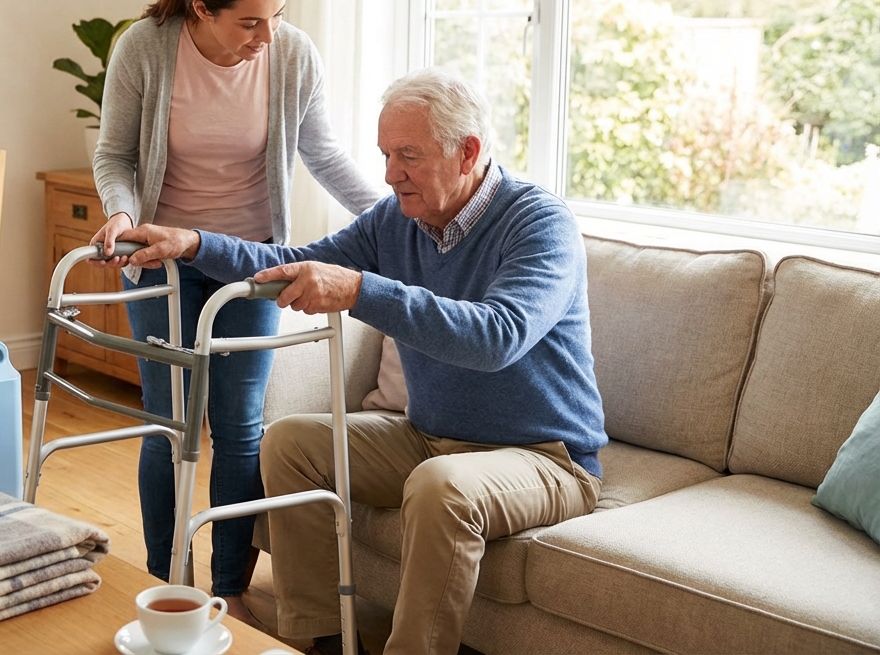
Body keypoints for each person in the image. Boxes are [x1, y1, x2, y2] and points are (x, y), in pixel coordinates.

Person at [113, 68, 607, 655]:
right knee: (289, 443)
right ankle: (316, 638)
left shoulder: (539, 223)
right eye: (385, 154)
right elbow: (295, 262)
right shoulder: (398, 220)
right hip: (429, 436)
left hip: (543, 457)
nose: (390, 173)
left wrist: (360, 290)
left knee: (442, 486)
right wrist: (194, 244)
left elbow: (497, 337)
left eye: (408, 155)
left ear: (468, 152)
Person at [89, 0, 386, 624]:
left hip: (252, 259)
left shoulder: (292, 57)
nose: (268, 36)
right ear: (202, 10)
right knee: (169, 422)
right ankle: (167, 581)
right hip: (160, 257)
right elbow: (115, 155)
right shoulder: (144, 48)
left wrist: (393, 218)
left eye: (277, 17)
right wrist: (121, 212)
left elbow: (324, 155)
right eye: (251, 21)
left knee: (239, 426)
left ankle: (226, 588)